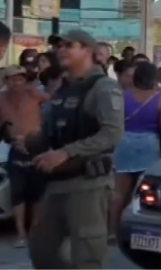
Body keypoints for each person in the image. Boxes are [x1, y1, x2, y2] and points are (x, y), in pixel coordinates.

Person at [25, 29, 124, 269]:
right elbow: (51, 132)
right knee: (41, 251)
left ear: (88, 51)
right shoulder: (62, 89)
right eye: (59, 46)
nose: (62, 50)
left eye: (69, 45)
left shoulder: (103, 88)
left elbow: (112, 133)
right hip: (57, 183)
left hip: (88, 184)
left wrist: (65, 153)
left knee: (87, 256)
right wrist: (29, 141)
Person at [110, 61, 161, 242]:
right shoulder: (160, 98)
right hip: (149, 145)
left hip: (124, 143)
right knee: (147, 192)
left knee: (119, 193)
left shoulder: (123, 96)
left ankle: (112, 231)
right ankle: (144, 232)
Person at [0, 66, 49, 247]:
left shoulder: (34, 94)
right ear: (6, 81)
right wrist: (12, 140)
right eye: (12, 79)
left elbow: (55, 104)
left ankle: (34, 230)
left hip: (37, 147)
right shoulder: (1, 99)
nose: (17, 83)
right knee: (18, 194)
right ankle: (21, 233)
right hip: (15, 149)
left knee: (37, 193)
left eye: (20, 79)